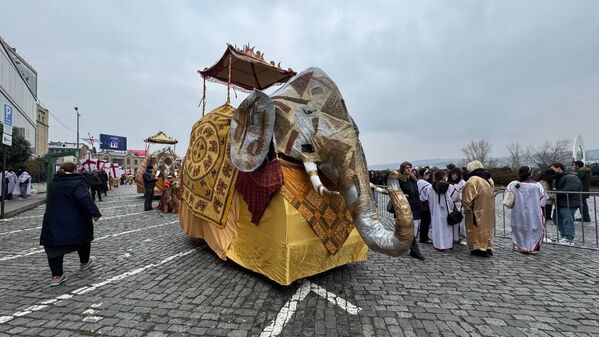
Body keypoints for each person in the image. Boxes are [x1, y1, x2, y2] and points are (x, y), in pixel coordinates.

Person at [40, 162, 101, 286]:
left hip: (54, 219)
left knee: (54, 246)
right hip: (76, 218)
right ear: (75, 170)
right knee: (83, 239)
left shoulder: (53, 183)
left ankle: (56, 275)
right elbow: (84, 198)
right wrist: (94, 213)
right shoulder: (78, 182)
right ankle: (84, 263)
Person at [505, 166, 548, 254]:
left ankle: (521, 245)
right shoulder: (537, 185)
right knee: (534, 227)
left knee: (519, 226)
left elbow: (508, 195)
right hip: (534, 210)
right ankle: (531, 246)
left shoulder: (513, 184)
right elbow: (543, 198)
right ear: (530, 173)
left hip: (518, 211)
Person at [389, 161, 424, 260]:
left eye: (410, 167)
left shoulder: (413, 180)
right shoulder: (399, 180)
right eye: (406, 167)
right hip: (403, 208)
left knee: (413, 228)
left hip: (414, 207)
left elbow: (416, 193)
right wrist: (401, 196)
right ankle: (415, 251)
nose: (409, 169)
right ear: (402, 169)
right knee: (409, 230)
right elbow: (393, 191)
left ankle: (404, 245)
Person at [462, 160, 495, 257]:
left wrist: (467, 209)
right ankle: (488, 246)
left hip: (476, 209)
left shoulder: (473, 180)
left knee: (477, 228)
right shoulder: (488, 179)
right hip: (488, 208)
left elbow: (467, 198)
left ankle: (481, 248)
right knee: (487, 228)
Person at [425, 170, 461, 251]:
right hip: (446, 212)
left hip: (435, 211)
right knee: (446, 228)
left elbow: (427, 198)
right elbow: (456, 197)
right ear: (443, 176)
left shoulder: (430, 187)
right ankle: (446, 245)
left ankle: (438, 245)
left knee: (437, 228)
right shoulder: (449, 187)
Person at [550, 163, 582, 245]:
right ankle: (564, 236)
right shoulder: (560, 177)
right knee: (556, 218)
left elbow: (570, 189)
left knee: (567, 220)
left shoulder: (571, 177)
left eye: (553, 169)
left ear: (559, 168)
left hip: (569, 202)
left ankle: (569, 238)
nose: (551, 172)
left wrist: (555, 193)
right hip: (562, 202)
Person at [448, 168, 467, 245]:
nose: (454, 176)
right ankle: (454, 237)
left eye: (456, 174)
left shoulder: (463, 183)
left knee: (462, 223)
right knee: (453, 221)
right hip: (451, 205)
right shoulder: (449, 182)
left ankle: (463, 238)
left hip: (460, 204)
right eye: (453, 174)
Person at [416, 168, 432, 243]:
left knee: (424, 221)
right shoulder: (424, 183)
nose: (428, 177)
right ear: (424, 174)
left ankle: (423, 237)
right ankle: (424, 237)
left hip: (420, 203)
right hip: (424, 204)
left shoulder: (418, 181)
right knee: (425, 221)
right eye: (428, 175)